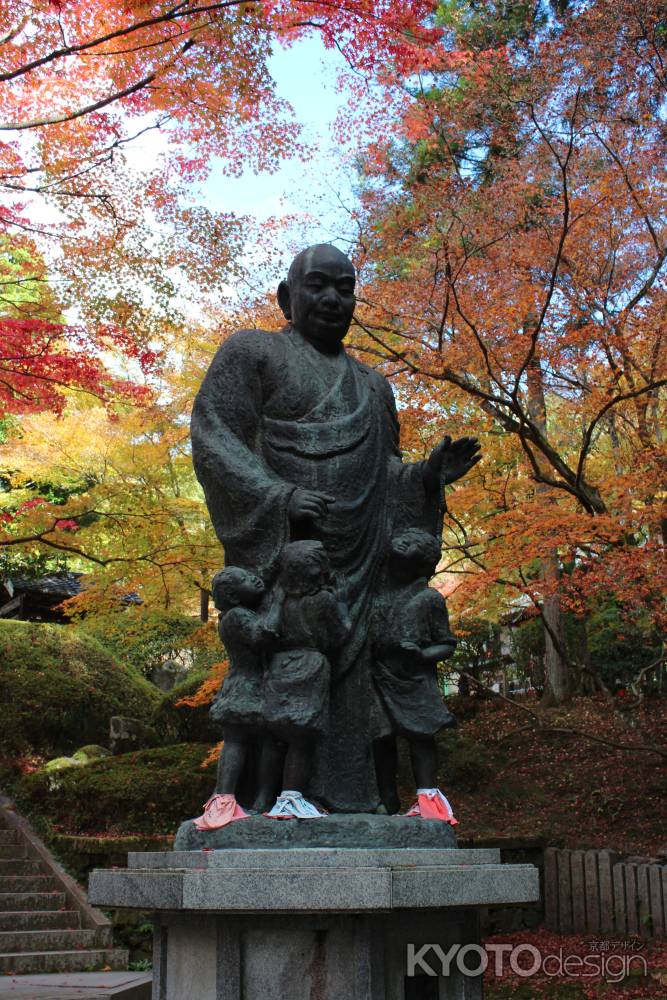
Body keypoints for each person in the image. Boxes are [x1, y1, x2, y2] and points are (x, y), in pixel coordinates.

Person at [191, 243, 481, 811]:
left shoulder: (375, 387)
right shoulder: (254, 352)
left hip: (361, 565)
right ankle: (260, 800)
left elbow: (386, 473)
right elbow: (214, 438)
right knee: (288, 685)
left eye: (344, 288)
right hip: (291, 560)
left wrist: (426, 478)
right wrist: (279, 497)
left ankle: (364, 804)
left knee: (362, 697)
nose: (332, 299)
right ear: (286, 297)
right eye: (317, 285)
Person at [372, 529, 458, 822]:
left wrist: (422, 655)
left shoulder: (429, 599)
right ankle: (385, 798)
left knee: (421, 737)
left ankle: (427, 796)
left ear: (420, 565)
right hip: (380, 673)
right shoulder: (378, 596)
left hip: (416, 678)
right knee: (381, 737)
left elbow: (447, 644)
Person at [263, 540, 351, 819]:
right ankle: (291, 796)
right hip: (311, 664)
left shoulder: (278, 599)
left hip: (280, 666)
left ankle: (263, 796)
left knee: (276, 734)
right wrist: (344, 604)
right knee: (301, 737)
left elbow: (268, 630)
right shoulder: (324, 599)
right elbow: (340, 634)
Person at [193, 567, 281, 829]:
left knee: (250, 740)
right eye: (244, 579)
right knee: (253, 739)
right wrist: (279, 602)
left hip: (241, 684)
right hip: (249, 684)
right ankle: (233, 796)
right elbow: (263, 634)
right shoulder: (238, 616)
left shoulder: (232, 616)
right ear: (232, 595)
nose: (253, 578)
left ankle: (239, 796)